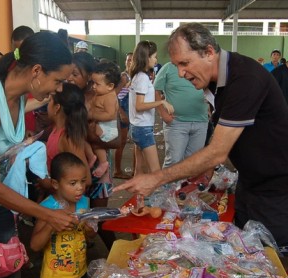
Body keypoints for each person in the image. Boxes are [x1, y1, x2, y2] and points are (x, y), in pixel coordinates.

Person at [114, 23, 288, 255]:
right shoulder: (216, 82)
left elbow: (218, 151)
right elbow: (229, 132)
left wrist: (156, 178)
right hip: (250, 182)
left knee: (270, 258)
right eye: (176, 66)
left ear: (208, 52)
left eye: (185, 63)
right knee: (245, 251)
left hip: (275, 188)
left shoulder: (245, 78)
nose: (180, 74)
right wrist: (207, 171)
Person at [0, 31, 76, 278]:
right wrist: (48, 214)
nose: (59, 89)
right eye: (58, 81)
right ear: (37, 71)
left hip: (2, 203)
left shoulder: (19, 99)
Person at [30, 152, 95, 278]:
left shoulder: (84, 203)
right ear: (55, 184)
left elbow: (89, 237)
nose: (80, 187)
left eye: (82, 181)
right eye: (73, 183)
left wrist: (89, 231)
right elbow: (35, 245)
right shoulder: (47, 208)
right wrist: (52, 223)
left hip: (81, 275)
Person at [69, 52, 119, 250]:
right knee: (77, 210)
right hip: (76, 162)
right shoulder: (70, 95)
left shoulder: (100, 96)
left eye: (75, 74)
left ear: (89, 76)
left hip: (98, 165)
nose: (69, 78)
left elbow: (116, 138)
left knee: (99, 212)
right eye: (68, 73)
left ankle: (114, 250)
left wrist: (88, 130)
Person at [129, 40, 174, 176]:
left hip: (137, 127)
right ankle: (155, 197)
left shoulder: (138, 76)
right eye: (154, 56)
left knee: (139, 169)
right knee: (156, 172)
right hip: (143, 129)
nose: (156, 60)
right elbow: (139, 106)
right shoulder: (142, 78)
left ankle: (140, 197)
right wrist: (161, 103)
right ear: (146, 57)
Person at [154, 62, 209, 168]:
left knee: (193, 162)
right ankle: (168, 185)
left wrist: (211, 107)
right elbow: (155, 90)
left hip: (201, 121)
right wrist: (162, 113)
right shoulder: (168, 68)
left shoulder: (202, 66)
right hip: (176, 122)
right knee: (174, 160)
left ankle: (185, 185)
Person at [45, 82, 91, 185]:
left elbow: (86, 179)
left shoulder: (67, 138)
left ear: (57, 107)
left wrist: (48, 185)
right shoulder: (55, 130)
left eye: (50, 100)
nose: (47, 105)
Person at [87, 61, 121, 178]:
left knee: (91, 132)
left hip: (108, 128)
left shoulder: (110, 97)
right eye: (93, 83)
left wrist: (92, 116)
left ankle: (103, 162)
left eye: (97, 84)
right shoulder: (100, 94)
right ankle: (95, 158)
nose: (94, 86)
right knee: (94, 143)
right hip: (101, 125)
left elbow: (110, 115)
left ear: (110, 86)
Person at [113, 52, 133, 179]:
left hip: (130, 111)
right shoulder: (124, 77)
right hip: (123, 110)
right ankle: (117, 170)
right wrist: (121, 112)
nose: (129, 62)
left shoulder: (134, 77)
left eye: (131, 60)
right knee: (121, 142)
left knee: (124, 141)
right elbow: (114, 96)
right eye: (127, 60)